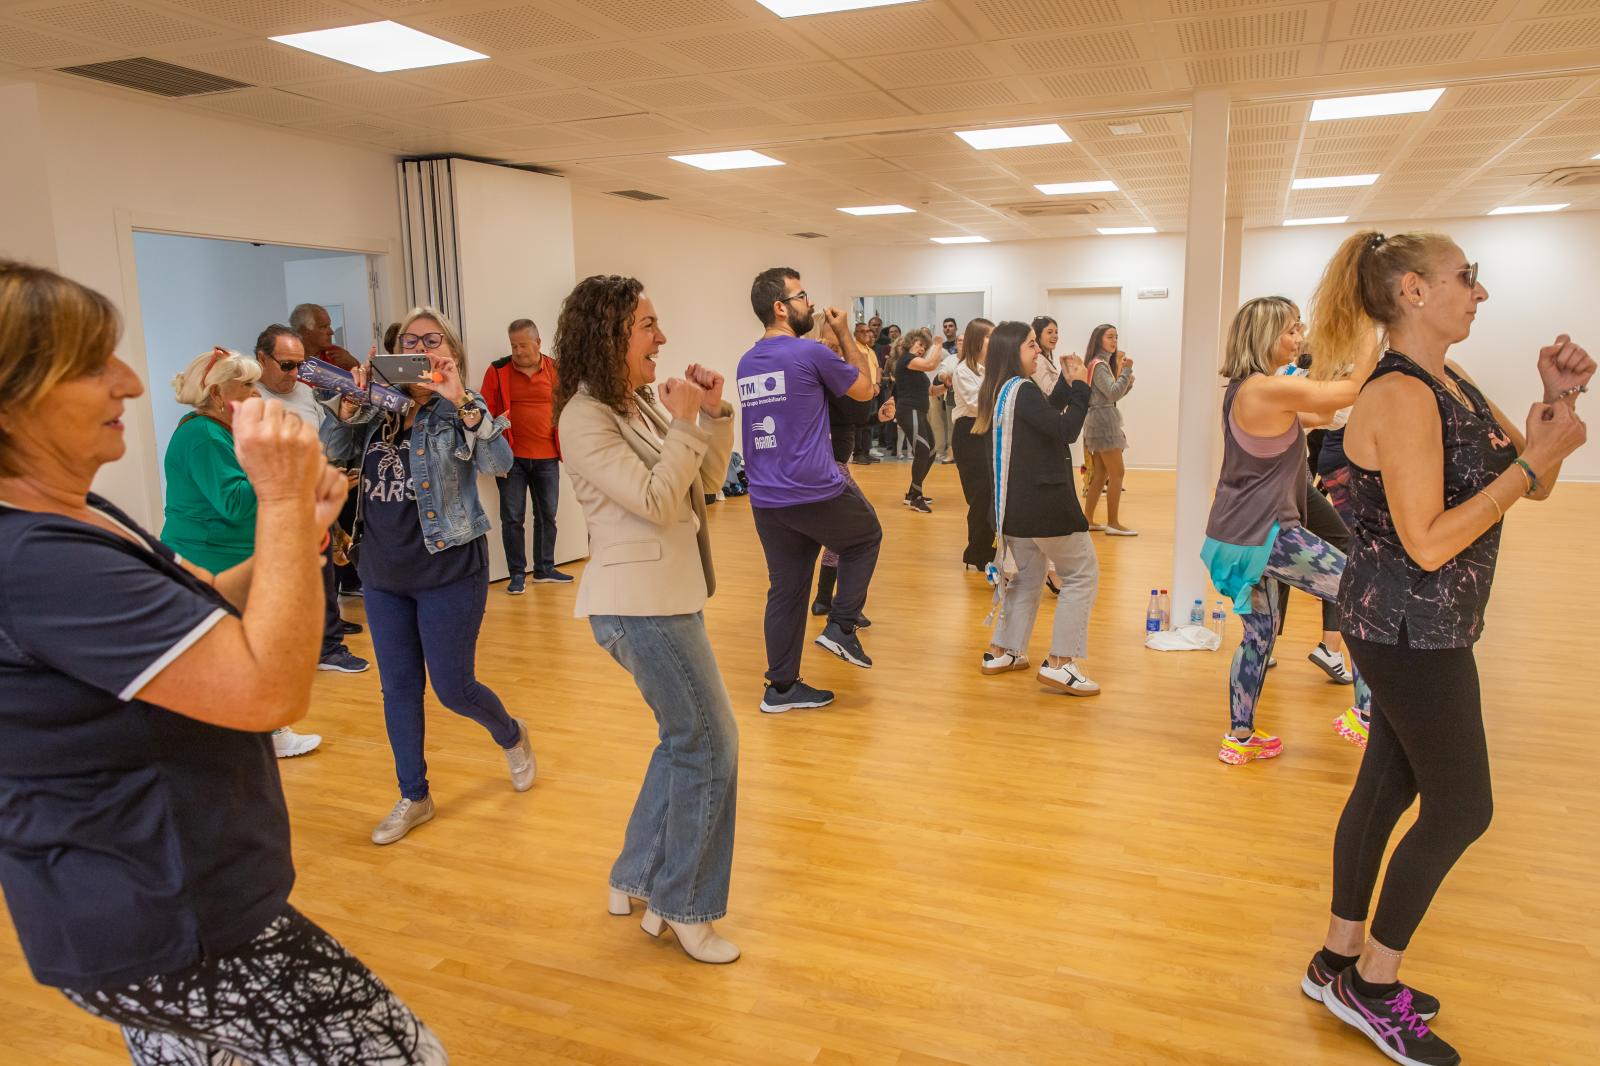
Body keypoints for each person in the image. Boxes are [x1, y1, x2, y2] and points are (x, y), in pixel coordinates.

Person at [0, 259, 445, 1063]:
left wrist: (296, 532)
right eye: (93, 365)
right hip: (170, 916)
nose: (131, 383)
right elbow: (268, 691)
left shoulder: (72, 517)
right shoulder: (34, 558)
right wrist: (276, 500)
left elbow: (206, 606)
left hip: (159, 908)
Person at [1301, 232, 1590, 1066]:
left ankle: (1335, 961)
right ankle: (1374, 987)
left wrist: (1554, 401)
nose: (1481, 292)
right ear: (1416, 292)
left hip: (1420, 622)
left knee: (1389, 784)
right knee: (1463, 807)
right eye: (1469, 278)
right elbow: (1428, 542)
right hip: (1406, 626)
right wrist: (1529, 467)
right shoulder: (1398, 395)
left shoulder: (1449, 380)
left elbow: (1538, 476)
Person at [554, 274, 743, 965]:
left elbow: (706, 484)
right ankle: (683, 904)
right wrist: (686, 424)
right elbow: (658, 503)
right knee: (712, 746)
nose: (661, 339)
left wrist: (712, 415)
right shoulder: (583, 419)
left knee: (681, 741)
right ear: (609, 334)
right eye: (648, 326)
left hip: (669, 596)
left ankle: (634, 876)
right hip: (637, 609)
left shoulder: (634, 403)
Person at [322, 307, 536, 845]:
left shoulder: (460, 408)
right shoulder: (373, 410)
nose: (419, 348)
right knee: (397, 689)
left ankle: (511, 734)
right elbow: (331, 452)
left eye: (431, 340)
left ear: (451, 351)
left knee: (453, 688)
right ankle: (414, 795)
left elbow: (501, 461)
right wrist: (348, 405)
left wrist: (459, 397)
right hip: (383, 571)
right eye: (408, 341)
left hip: (449, 567)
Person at [1201, 297, 1377, 766]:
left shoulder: (1250, 391)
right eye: (1290, 331)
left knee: (1259, 636)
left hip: (1234, 534)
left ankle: (1239, 736)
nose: (1299, 339)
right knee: (1360, 591)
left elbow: (1321, 416)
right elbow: (1351, 389)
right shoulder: (1264, 389)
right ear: (1264, 337)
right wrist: (1367, 324)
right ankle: (1366, 714)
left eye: (1300, 329)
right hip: (1265, 534)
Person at [160, 347, 323, 759]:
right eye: (247, 386)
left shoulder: (220, 432)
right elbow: (233, 501)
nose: (256, 394)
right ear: (217, 395)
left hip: (230, 555)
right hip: (210, 560)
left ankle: (260, 730)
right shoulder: (201, 435)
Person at [738, 268, 880, 713]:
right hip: (814, 488)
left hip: (767, 499)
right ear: (780, 307)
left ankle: (780, 689)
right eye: (801, 296)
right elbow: (864, 391)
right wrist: (844, 334)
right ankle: (840, 628)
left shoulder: (748, 360)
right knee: (865, 537)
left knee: (786, 589)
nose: (810, 304)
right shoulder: (806, 352)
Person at [975, 322, 1101, 695]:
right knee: (1081, 573)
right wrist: (1080, 386)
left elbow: (1042, 415)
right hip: (1043, 507)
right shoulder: (1022, 390)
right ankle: (1061, 663)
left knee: (1028, 578)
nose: (1038, 350)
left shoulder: (1003, 389)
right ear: (1013, 351)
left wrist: (1064, 380)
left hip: (1015, 509)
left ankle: (1003, 650)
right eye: (1031, 345)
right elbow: (1064, 430)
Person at [255, 324, 369, 675]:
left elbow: (328, 441)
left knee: (323, 576)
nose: (294, 374)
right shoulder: (249, 398)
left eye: (300, 366)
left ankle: (327, 642)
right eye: (286, 365)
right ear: (262, 358)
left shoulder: (305, 394)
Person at [813, 318, 895, 618]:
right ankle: (845, 608)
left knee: (840, 536)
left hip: (836, 463)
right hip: (830, 467)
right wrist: (868, 393)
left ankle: (824, 599)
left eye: (839, 347)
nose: (835, 353)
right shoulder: (825, 376)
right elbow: (855, 410)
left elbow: (851, 419)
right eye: (830, 346)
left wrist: (877, 418)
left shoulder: (832, 376)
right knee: (861, 533)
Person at [481, 317, 570, 593]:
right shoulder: (497, 371)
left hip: (547, 456)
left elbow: (567, 407)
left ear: (538, 343)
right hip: (511, 459)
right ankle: (517, 574)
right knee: (512, 518)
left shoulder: (556, 369)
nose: (517, 351)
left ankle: (544, 568)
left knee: (547, 515)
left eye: (523, 345)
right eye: (513, 345)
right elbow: (484, 411)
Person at [1080, 324, 1138, 536]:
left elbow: (1111, 394)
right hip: (1103, 421)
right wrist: (1126, 371)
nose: (1114, 341)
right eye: (1110, 337)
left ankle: (1087, 519)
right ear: (1099, 340)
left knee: (1101, 473)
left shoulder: (1098, 364)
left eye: (1116, 337)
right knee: (1117, 472)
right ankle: (1113, 522)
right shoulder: (1100, 365)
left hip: (1100, 418)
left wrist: (1126, 382)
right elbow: (1113, 394)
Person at [950, 317, 996, 570]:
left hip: (988, 432)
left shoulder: (992, 368)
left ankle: (982, 548)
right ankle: (977, 552)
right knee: (981, 494)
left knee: (991, 494)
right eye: (990, 336)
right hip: (970, 434)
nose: (995, 341)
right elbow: (976, 405)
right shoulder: (963, 370)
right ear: (978, 340)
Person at [891, 327, 943, 512]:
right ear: (910, 344)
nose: (922, 349)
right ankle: (916, 497)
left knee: (930, 451)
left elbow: (931, 391)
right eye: (920, 345)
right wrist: (937, 345)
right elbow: (930, 365)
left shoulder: (917, 372)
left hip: (919, 412)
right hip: (909, 411)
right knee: (922, 450)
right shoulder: (906, 360)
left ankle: (913, 492)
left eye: (924, 347)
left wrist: (946, 385)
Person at [290, 301, 359, 372]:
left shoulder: (337, 354)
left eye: (329, 325)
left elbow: (364, 381)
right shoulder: (287, 360)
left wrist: (354, 365)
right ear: (304, 331)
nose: (331, 332)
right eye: (324, 327)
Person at [927, 316, 959, 463]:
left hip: (956, 392)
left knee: (953, 423)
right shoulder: (939, 348)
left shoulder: (952, 350)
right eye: (945, 326)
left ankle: (952, 451)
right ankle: (943, 450)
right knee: (940, 422)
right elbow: (940, 370)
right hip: (940, 390)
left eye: (950, 326)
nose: (948, 329)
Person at [850, 320, 882, 465]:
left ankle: (866, 451)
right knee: (859, 422)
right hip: (860, 390)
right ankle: (858, 453)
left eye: (868, 331)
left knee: (869, 421)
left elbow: (877, 369)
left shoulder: (871, 350)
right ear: (855, 334)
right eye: (862, 331)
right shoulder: (853, 349)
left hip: (872, 390)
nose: (866, 334)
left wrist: (877, 384)